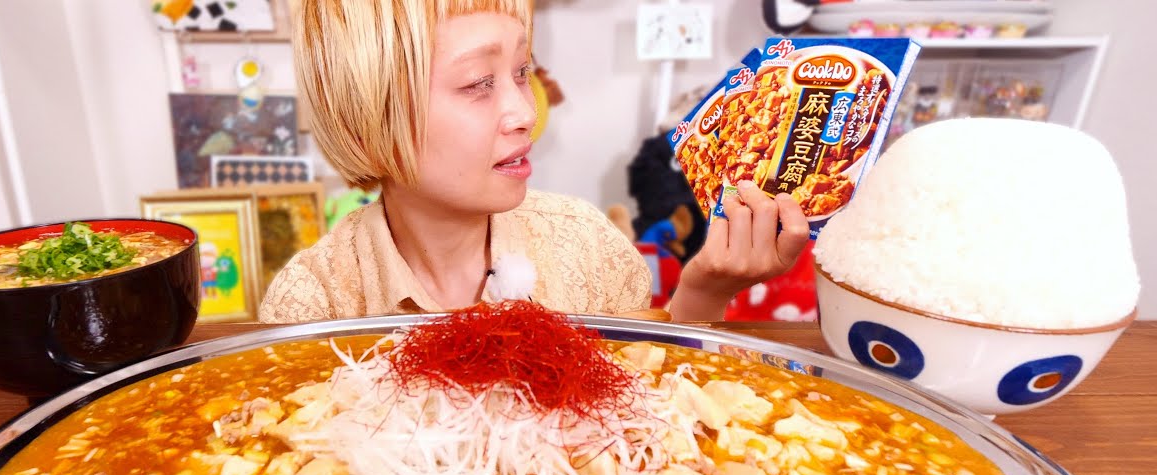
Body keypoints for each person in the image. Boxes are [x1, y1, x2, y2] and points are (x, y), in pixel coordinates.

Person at [258, 0, 809, 323]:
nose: (524, 111)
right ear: (365, 112)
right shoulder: (315, 303)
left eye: (523, 72)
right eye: (478, 83)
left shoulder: (587, 246)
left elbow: (654, 414)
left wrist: (705, 291)